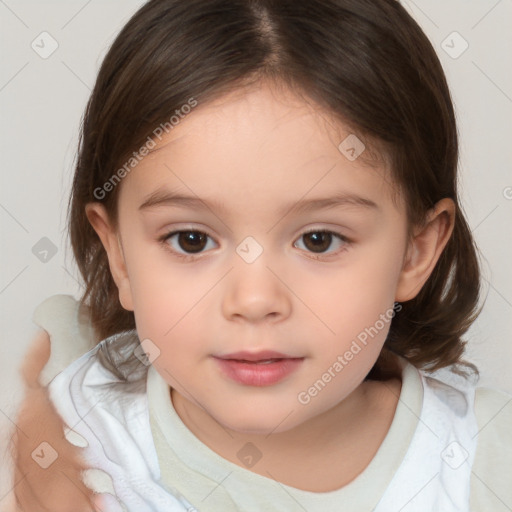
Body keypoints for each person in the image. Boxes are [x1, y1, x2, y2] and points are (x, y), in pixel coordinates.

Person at [9, 0, 512, 510]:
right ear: (118, 254)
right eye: (191, 240)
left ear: (415, 252)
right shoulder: (64, 444)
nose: (253, 300)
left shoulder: (485, 463)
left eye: (319, 240)